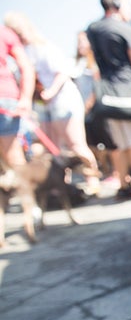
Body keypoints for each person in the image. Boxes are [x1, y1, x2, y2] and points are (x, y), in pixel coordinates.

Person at [4, 12, 101, 195]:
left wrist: (51, 91)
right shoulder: (19, 52)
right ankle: (64, 187)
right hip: (42, 104)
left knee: (76, 144)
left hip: (62, 100)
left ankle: (93, 179)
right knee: (54, 149)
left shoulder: (42, 47)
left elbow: (62, 72)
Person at [86, 0, 131, 200]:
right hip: (130, 92)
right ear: (116, 5)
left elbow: (92, 62)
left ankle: (123, 185)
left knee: (118, 144)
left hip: (107, 94)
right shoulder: (125, 28)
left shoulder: (93, 29)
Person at [73, 30, 116, 182]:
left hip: (97, 107)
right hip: (83, 109)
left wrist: (89, 103)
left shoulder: (95, 61)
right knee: (92, 143)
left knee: (107, 141)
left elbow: (97, 84)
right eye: (78, 42)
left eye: (83, 41)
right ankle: (104, 170)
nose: (80, 45)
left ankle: (114, 173)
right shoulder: (78, 63)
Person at [0, 25, 34, 168]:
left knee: (13, 159)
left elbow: (26, 66)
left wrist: (26, 98)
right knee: (13, 159)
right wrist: (25, 98)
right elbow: (26, 66)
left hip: (5, 100)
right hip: (6, 97)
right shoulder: (4, 32)